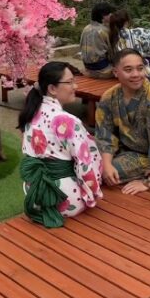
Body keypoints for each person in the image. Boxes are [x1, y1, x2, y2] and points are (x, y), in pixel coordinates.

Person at [18, 61, 104, 227]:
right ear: (52, 89)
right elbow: (86, 164)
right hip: (66, 199)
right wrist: (92, 193)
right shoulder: (66, 121)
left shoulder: (30, 113)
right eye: (70, 82)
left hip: (34, 192)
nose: (75, 85)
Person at [94, 49, 150, 194]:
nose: (136, 74)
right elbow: (104, 134)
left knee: (97, 172)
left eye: (140, 68)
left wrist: (147, 182)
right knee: (89, 161)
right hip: (124, 148)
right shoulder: (109, 96)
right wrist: (106, 164)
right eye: (128, 69)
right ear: (115, 72)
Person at [106, 8, 150, 84]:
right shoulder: (137, 32)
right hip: (135, 70)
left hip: (120, 71)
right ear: (126, 22)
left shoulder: (111, 35)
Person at [80, 2, 115, 79]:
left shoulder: (86, 28)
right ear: (103, 15)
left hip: (88, 68)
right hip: (103, 71)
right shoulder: (104, 31)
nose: (111, 15)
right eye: (109, 13)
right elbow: (112, 52)